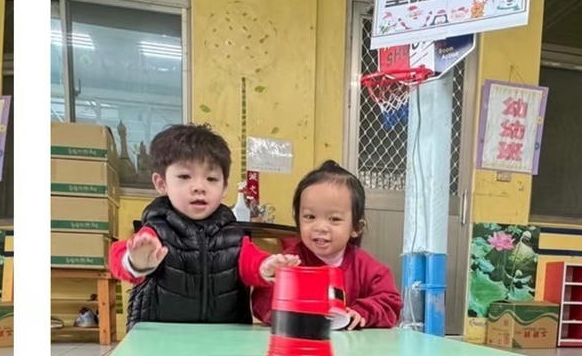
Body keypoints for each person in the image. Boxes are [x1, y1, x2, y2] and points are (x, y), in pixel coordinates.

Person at [107, 123, 296, 327]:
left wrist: (265, 267)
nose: (199, 187)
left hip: (222, 335)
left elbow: (250, 262)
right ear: (161, 183)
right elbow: (117, 257)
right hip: (162, 335)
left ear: (224, 188)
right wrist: (135, 262)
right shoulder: (156, 230)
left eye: (211, 178)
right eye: (184, 176)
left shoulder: (233, 234)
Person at [248, 160, 401, 329]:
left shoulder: (368, 269)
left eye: (334, 219)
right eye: (310, 217)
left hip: (352, 344)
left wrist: (362, 312)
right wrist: (274, 283)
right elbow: (261, 306)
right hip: (304, 341)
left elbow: (391, 303)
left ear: (356, 227)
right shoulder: (290, 263)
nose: (320, 227)